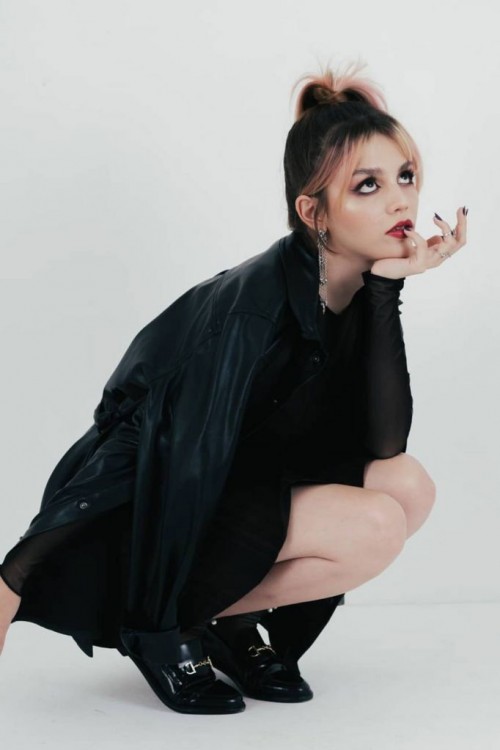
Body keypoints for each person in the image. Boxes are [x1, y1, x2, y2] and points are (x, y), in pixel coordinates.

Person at [0, 59, 468, 715]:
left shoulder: (357, 290)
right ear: (313, 211)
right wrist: (17, 573)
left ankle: (223, 622)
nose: (401, 202)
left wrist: (387, 291)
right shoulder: (254, 308)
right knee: (375, 524)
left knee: (407, 486)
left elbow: (385, 443)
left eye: (407, 176)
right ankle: (160, 628)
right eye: (368, 185)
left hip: (244, 496)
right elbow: (152, 441)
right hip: (162, 518)